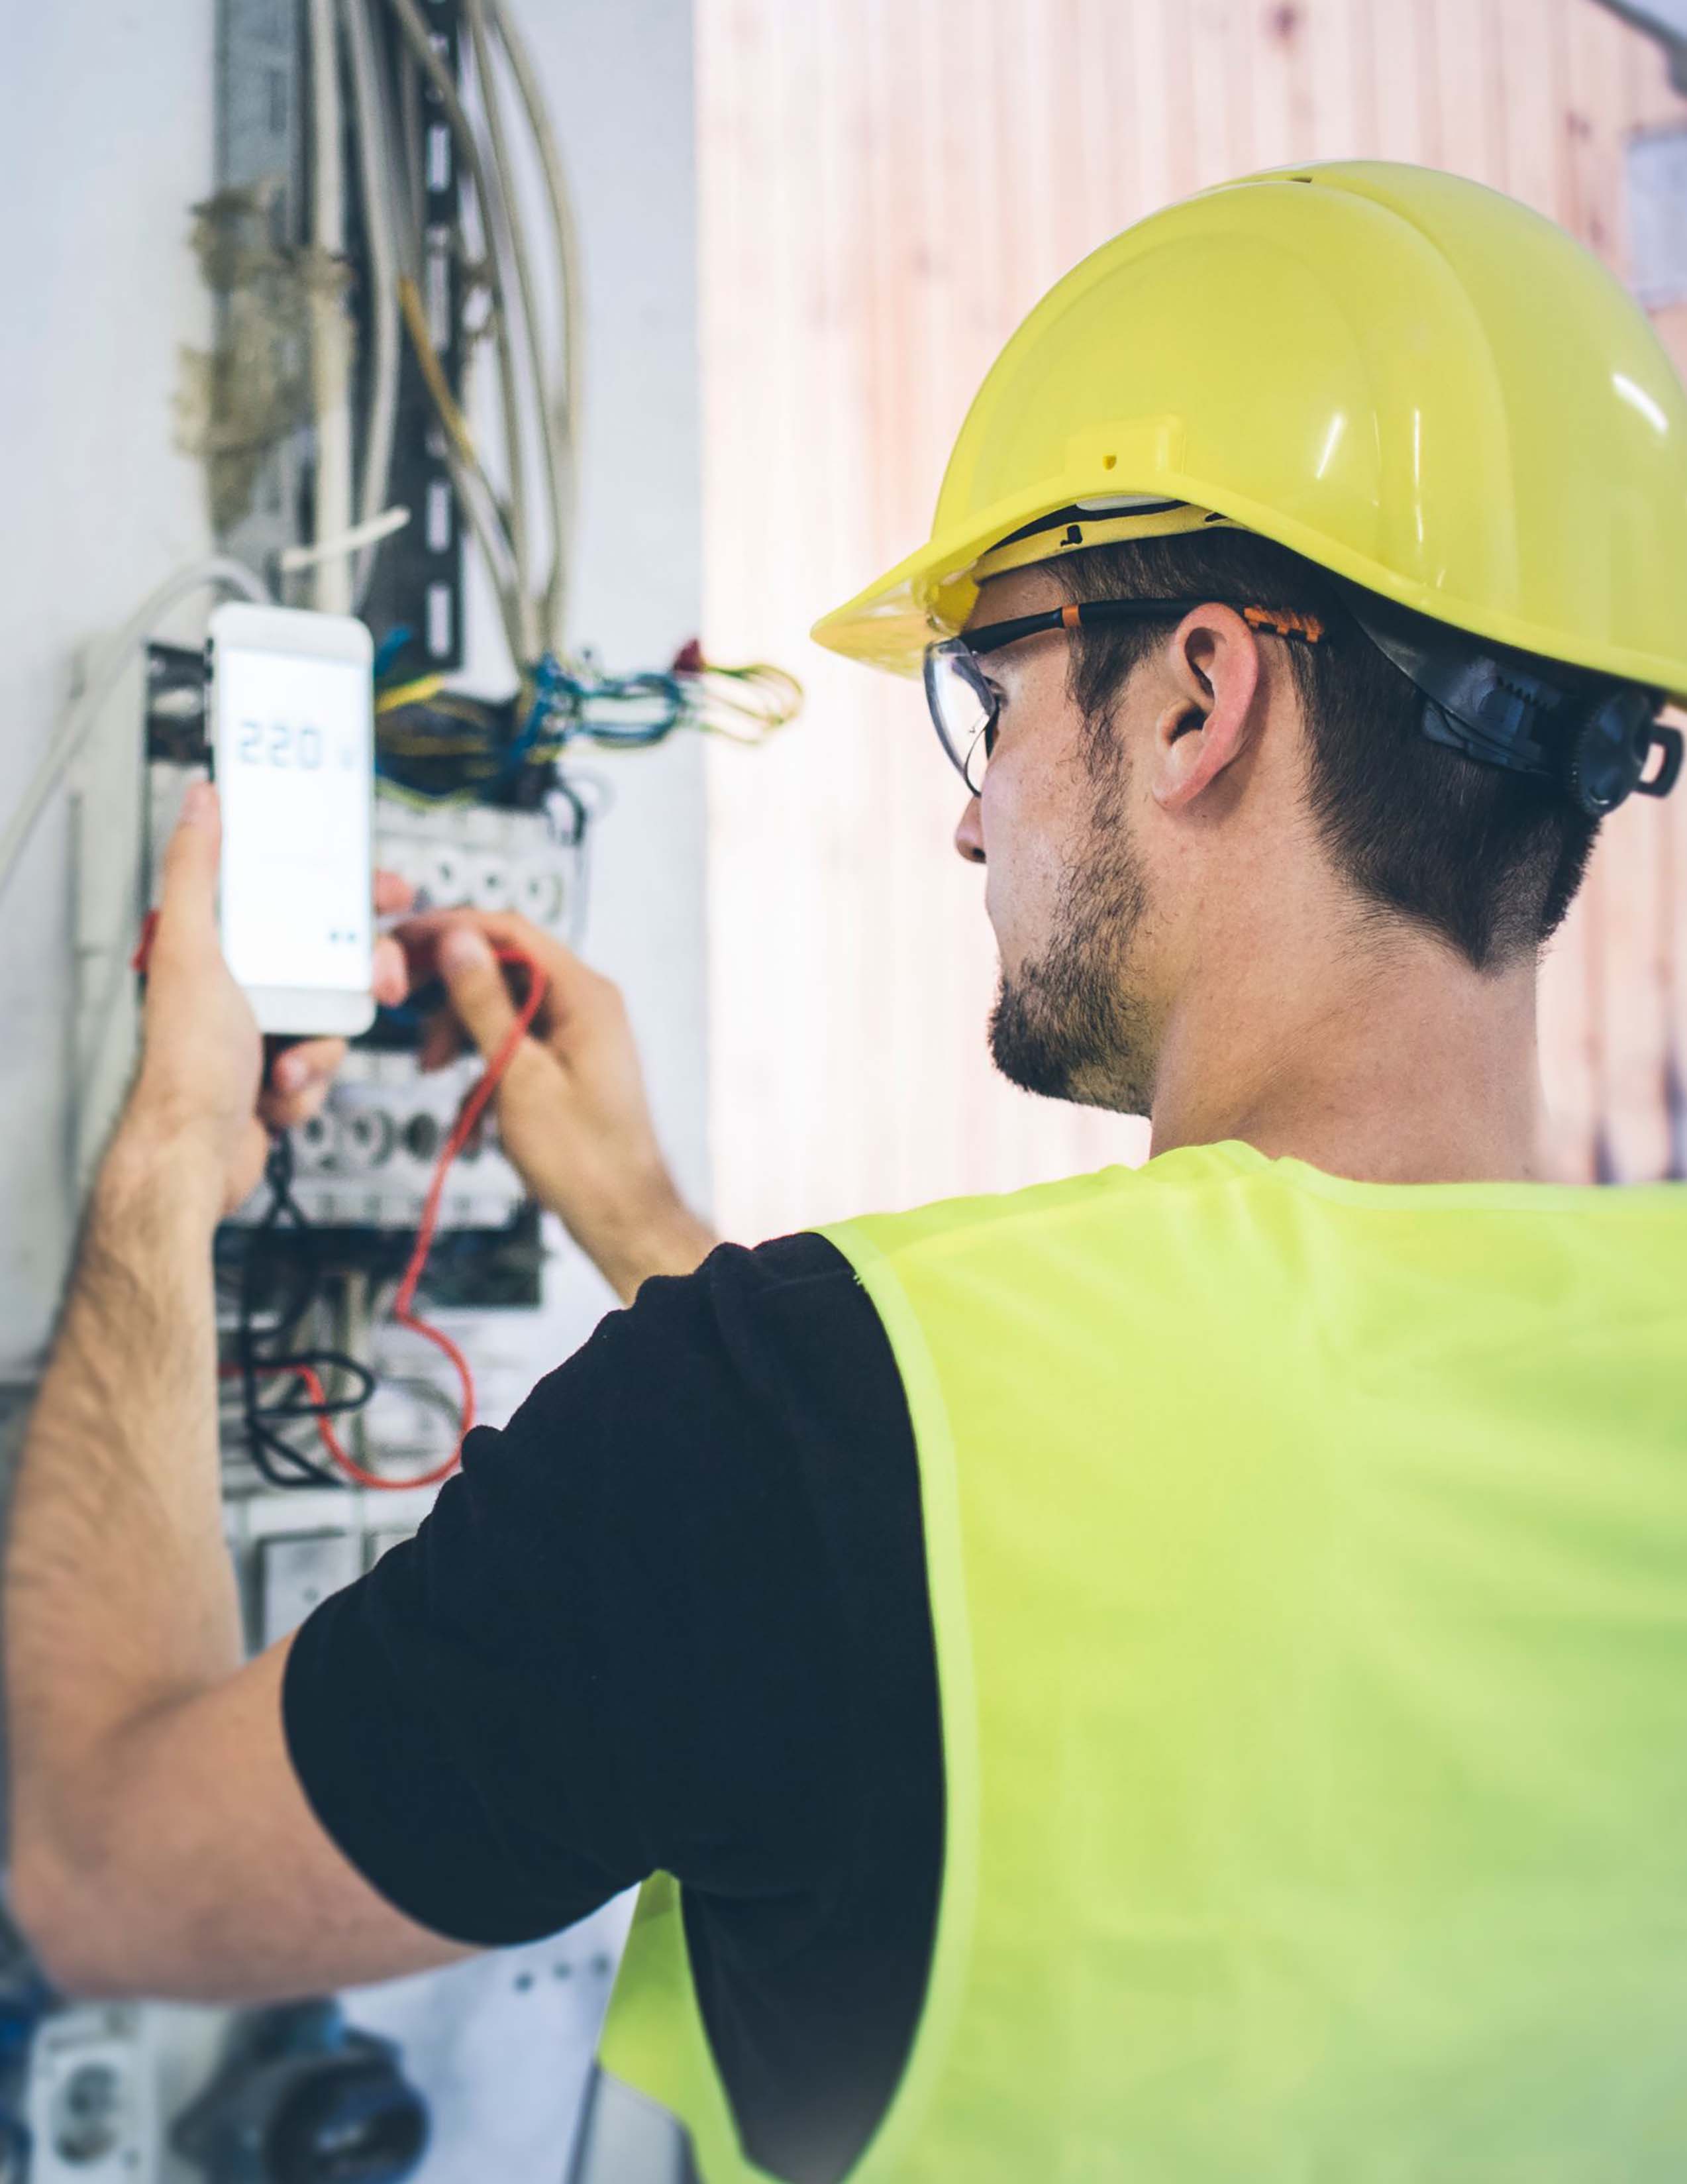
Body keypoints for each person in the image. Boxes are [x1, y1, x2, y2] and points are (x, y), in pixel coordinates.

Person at [9, 158, 1687, 2184]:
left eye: (989, 697)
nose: (973, 830)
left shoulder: (784, 1423)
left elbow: (104, 1858)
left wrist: (171, 1142)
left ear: (1193, 696)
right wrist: (640, 1219)